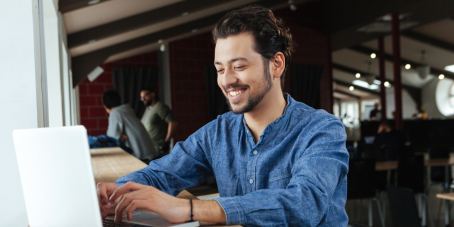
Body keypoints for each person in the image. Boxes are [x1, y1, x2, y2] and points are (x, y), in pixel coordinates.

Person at [97, 5, 348, 226]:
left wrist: (190, 209)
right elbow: (161, 174)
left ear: (276, 64)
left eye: (239, 66)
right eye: (220, 69)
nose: (227, 80)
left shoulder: (321, 129)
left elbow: (304, 204)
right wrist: (116, 193)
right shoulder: (219, 132)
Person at [103, 90, 157, 162]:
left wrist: (118, 138)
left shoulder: (115, 112)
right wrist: (119, 137)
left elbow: (111, 140)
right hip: (150, 155)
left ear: (105, 107)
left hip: (143, 159)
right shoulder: (126, 110)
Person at [140, 87, 178, 156]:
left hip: (159, 149)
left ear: (153, 94)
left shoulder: (160, 106)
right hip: (150, 148)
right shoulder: (149, 109)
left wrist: (166, 142)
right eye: (141, 97)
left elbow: (173, 122)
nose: (143, 99)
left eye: (145, 96)